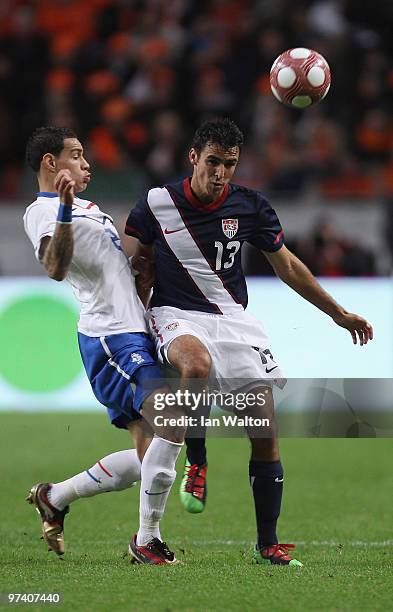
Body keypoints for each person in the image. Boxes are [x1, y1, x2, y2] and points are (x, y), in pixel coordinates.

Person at [125, 117, 373, 567]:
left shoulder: (251, 206)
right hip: (175, 314)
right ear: (194, 157)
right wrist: (131, 331)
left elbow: (289, 267)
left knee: (265, 431)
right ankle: (195, 459)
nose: (220, 173)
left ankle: (268, 545)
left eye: (230, 164)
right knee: (196, 367)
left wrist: (338, 313)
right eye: (213, 162)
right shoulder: (155, 205)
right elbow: (135, 267)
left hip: (234, 321)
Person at [23, 126, 187, 565]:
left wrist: (139, 279)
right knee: (169, 420)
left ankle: (55, 496)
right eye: (76, 155)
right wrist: (63, 209)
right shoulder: (42, 212)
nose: (86, 163)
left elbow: (107, 274)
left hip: (134, 328)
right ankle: (146, 539)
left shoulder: (90, 208)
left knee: (150, 452)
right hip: (110, 337)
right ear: (50, 164)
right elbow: (56, 268)